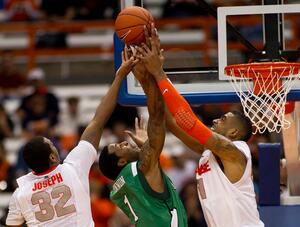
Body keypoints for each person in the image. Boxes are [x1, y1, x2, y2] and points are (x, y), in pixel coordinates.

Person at [135, 24, 264, 227]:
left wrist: (159, 73)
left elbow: (189, 122)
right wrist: (147, 78)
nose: (214, 120)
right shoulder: (208, 153)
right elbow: (170, 120)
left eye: (222, 120)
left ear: (234, 132)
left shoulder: (236, 151)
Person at [5, 53, 137, 227]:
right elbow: (98, 121)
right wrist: (120, 76)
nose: (55, 146)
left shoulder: (20, 192)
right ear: (52, 157)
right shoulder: (73, 168)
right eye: (52, 145)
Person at [98, 47, 188, 227]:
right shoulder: (140, 169)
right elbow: (156, 117)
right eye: (119, 147)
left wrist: (146, 145)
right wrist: (150, 76)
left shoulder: (119, 188)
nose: (124, 142)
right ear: (121, 162)